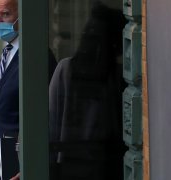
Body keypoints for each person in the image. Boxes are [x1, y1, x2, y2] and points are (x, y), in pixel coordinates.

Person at [49, 2, 127, 180]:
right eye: (89, 35)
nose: (91, 43)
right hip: (72, 167)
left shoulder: (118, 78)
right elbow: (51, 126)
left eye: (98, 37)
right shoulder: (67, 71)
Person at [0, 0, 20, 179]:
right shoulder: (7, 53)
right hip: (5, 167)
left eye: (6, 14)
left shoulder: (34, 57)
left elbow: (47, 117)